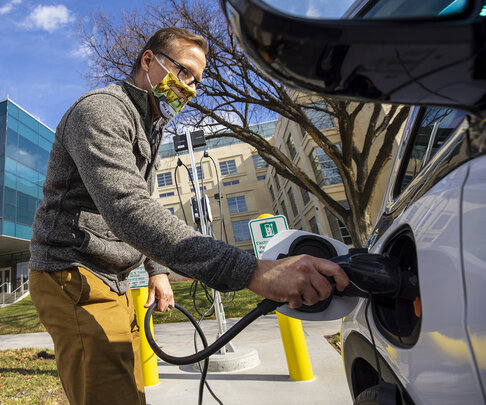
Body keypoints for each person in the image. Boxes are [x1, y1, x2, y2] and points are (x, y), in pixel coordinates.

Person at [28, 27, 349, 405]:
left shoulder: (150, 125)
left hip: (112, 278)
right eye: (183, 72)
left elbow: (143, 200)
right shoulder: (100, 110)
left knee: (132, 393)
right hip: (72, 273)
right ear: (148, 60)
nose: (191, 88)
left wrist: (157, 270)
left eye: (197, 80)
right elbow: (127, 207)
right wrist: (252, 271)